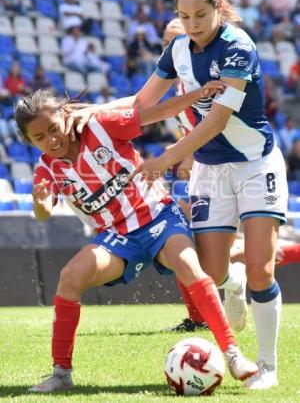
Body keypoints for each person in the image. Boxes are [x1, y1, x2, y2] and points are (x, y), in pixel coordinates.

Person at [69, 0, 287, 390]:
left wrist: (166, 159)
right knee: (210, 270)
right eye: (184, 16)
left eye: (200, 15)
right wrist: (91, 112)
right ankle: (231, 284)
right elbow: (141, 103)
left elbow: (219, 118)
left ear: (218, 6)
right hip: (210, 170)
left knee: (261, 270)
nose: (192, 24)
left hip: (256, 166)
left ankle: (268, 366)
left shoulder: (239, 47)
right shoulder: (178, 49)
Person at [14, 87, 258, 393]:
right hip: (116, 236)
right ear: (31, 141)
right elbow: (43, 213)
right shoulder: (46, 168)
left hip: (158, 215)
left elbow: (156, 113)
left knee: (189, 266)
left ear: (66, 116)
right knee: (69, 278)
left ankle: (234, 355)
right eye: (40, 137)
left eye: (53, 128)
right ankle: (61, 374)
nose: (51, 140)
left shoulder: (100, 126)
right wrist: (39, 202)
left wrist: (198, 94)